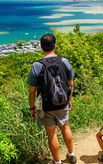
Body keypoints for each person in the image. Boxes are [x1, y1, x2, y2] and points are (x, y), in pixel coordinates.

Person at [27, 33, 77, 164]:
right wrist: (69, 100)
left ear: (41, 47)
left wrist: (32, 107)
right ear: (55, 45)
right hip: (62, 102)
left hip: (44, 105)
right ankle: (71, 155)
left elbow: (32, 91)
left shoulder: (36, 66)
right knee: (65, 127)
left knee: (52, 133)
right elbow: (71, 85)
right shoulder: (64, 62)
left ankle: (57, 162)